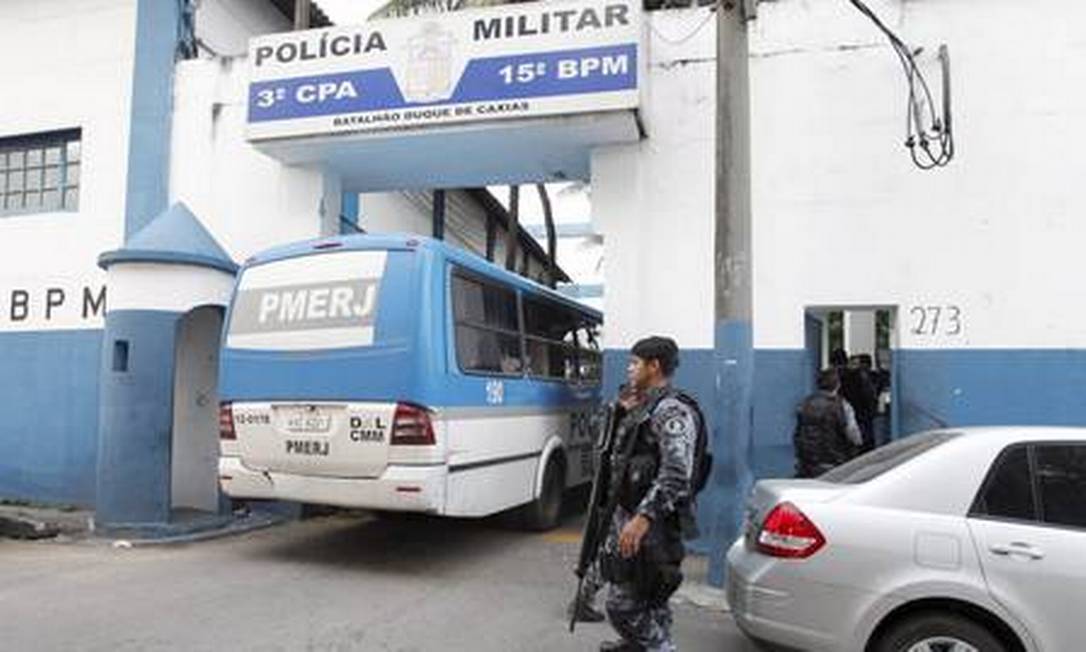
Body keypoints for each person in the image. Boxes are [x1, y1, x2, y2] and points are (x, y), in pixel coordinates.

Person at [597, 336, 701, 652]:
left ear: (653, 366)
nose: (629, 369)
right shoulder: (640, 405)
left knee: (622, 605)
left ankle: (660, 648)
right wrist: (617, 413)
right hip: (627, 517)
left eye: (634, 363)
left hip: (652, 525)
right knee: (650, 599)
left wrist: (643, 518)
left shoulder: (671, 412)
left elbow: (676, 474)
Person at [569, 384, 646, 624]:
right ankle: (582, 601)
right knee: (611, 551)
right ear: (629, 399)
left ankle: (584, 600)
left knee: (611, 550)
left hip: (613, 496)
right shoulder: (620, 420)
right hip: (617, 498)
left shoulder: (609, 416)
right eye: (637, 399)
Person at [794, 368, 864, 478]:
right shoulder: (842, 405)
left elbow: (798, 432)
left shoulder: (805, 404)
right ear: (838, 385)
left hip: (808, 461)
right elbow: (854, 436)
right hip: (834, 460)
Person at [831, 348, 877, 453]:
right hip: (862, 414)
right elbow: (868, 395)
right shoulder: (858, 375)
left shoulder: (831, 377)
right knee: (865, 445)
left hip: (845, 415)